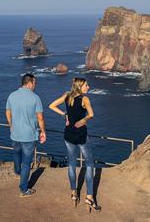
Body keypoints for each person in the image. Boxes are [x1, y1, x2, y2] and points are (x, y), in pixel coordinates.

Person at [48, 77, 101, 211]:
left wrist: (64, 115)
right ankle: (89, 197)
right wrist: (84, 120)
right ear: (80, 87)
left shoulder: (67, 96)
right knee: (89, 165)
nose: (88, 87)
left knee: (71, 165)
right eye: (86, 85)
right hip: (81, 136)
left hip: (68, 135)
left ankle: (73, 193)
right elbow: (91, 114)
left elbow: (51, 105)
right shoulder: (85, 99)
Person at [5, 72, 46, 198]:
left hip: (15, 133)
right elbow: (40, 118)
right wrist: (43, 132)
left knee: (16, 153)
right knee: (27, 163)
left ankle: (17, 171)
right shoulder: (35, 98)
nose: (35, 85)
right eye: (34, 83)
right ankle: (23, 189)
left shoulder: (12, 95)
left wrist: (11, 125)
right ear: (29, 83)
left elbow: (8, 112)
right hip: (29, 136)